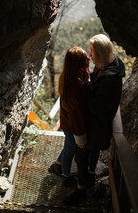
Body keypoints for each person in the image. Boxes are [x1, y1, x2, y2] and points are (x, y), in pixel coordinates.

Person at [63, 34, 125, 204]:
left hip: (97, 128)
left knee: (81, 156)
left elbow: (97, 107)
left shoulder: (109, 79)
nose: (89, 56)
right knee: (89, 154)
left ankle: (81, 189)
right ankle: (89, 175)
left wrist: (86, 86)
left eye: (92, 52)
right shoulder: (111, 65)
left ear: (100, 54)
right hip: (98, 126)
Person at [48, 46, 90, 186]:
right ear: (78, 63)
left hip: (67, 122)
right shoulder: (73, 85)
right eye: (85, 58)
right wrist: (80, 135)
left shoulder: (68, 76)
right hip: (71, 125)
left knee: (68, 146)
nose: (88, 59)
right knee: (70, 149)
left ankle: (57, 164)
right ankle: (65, 175)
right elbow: (75, 113)